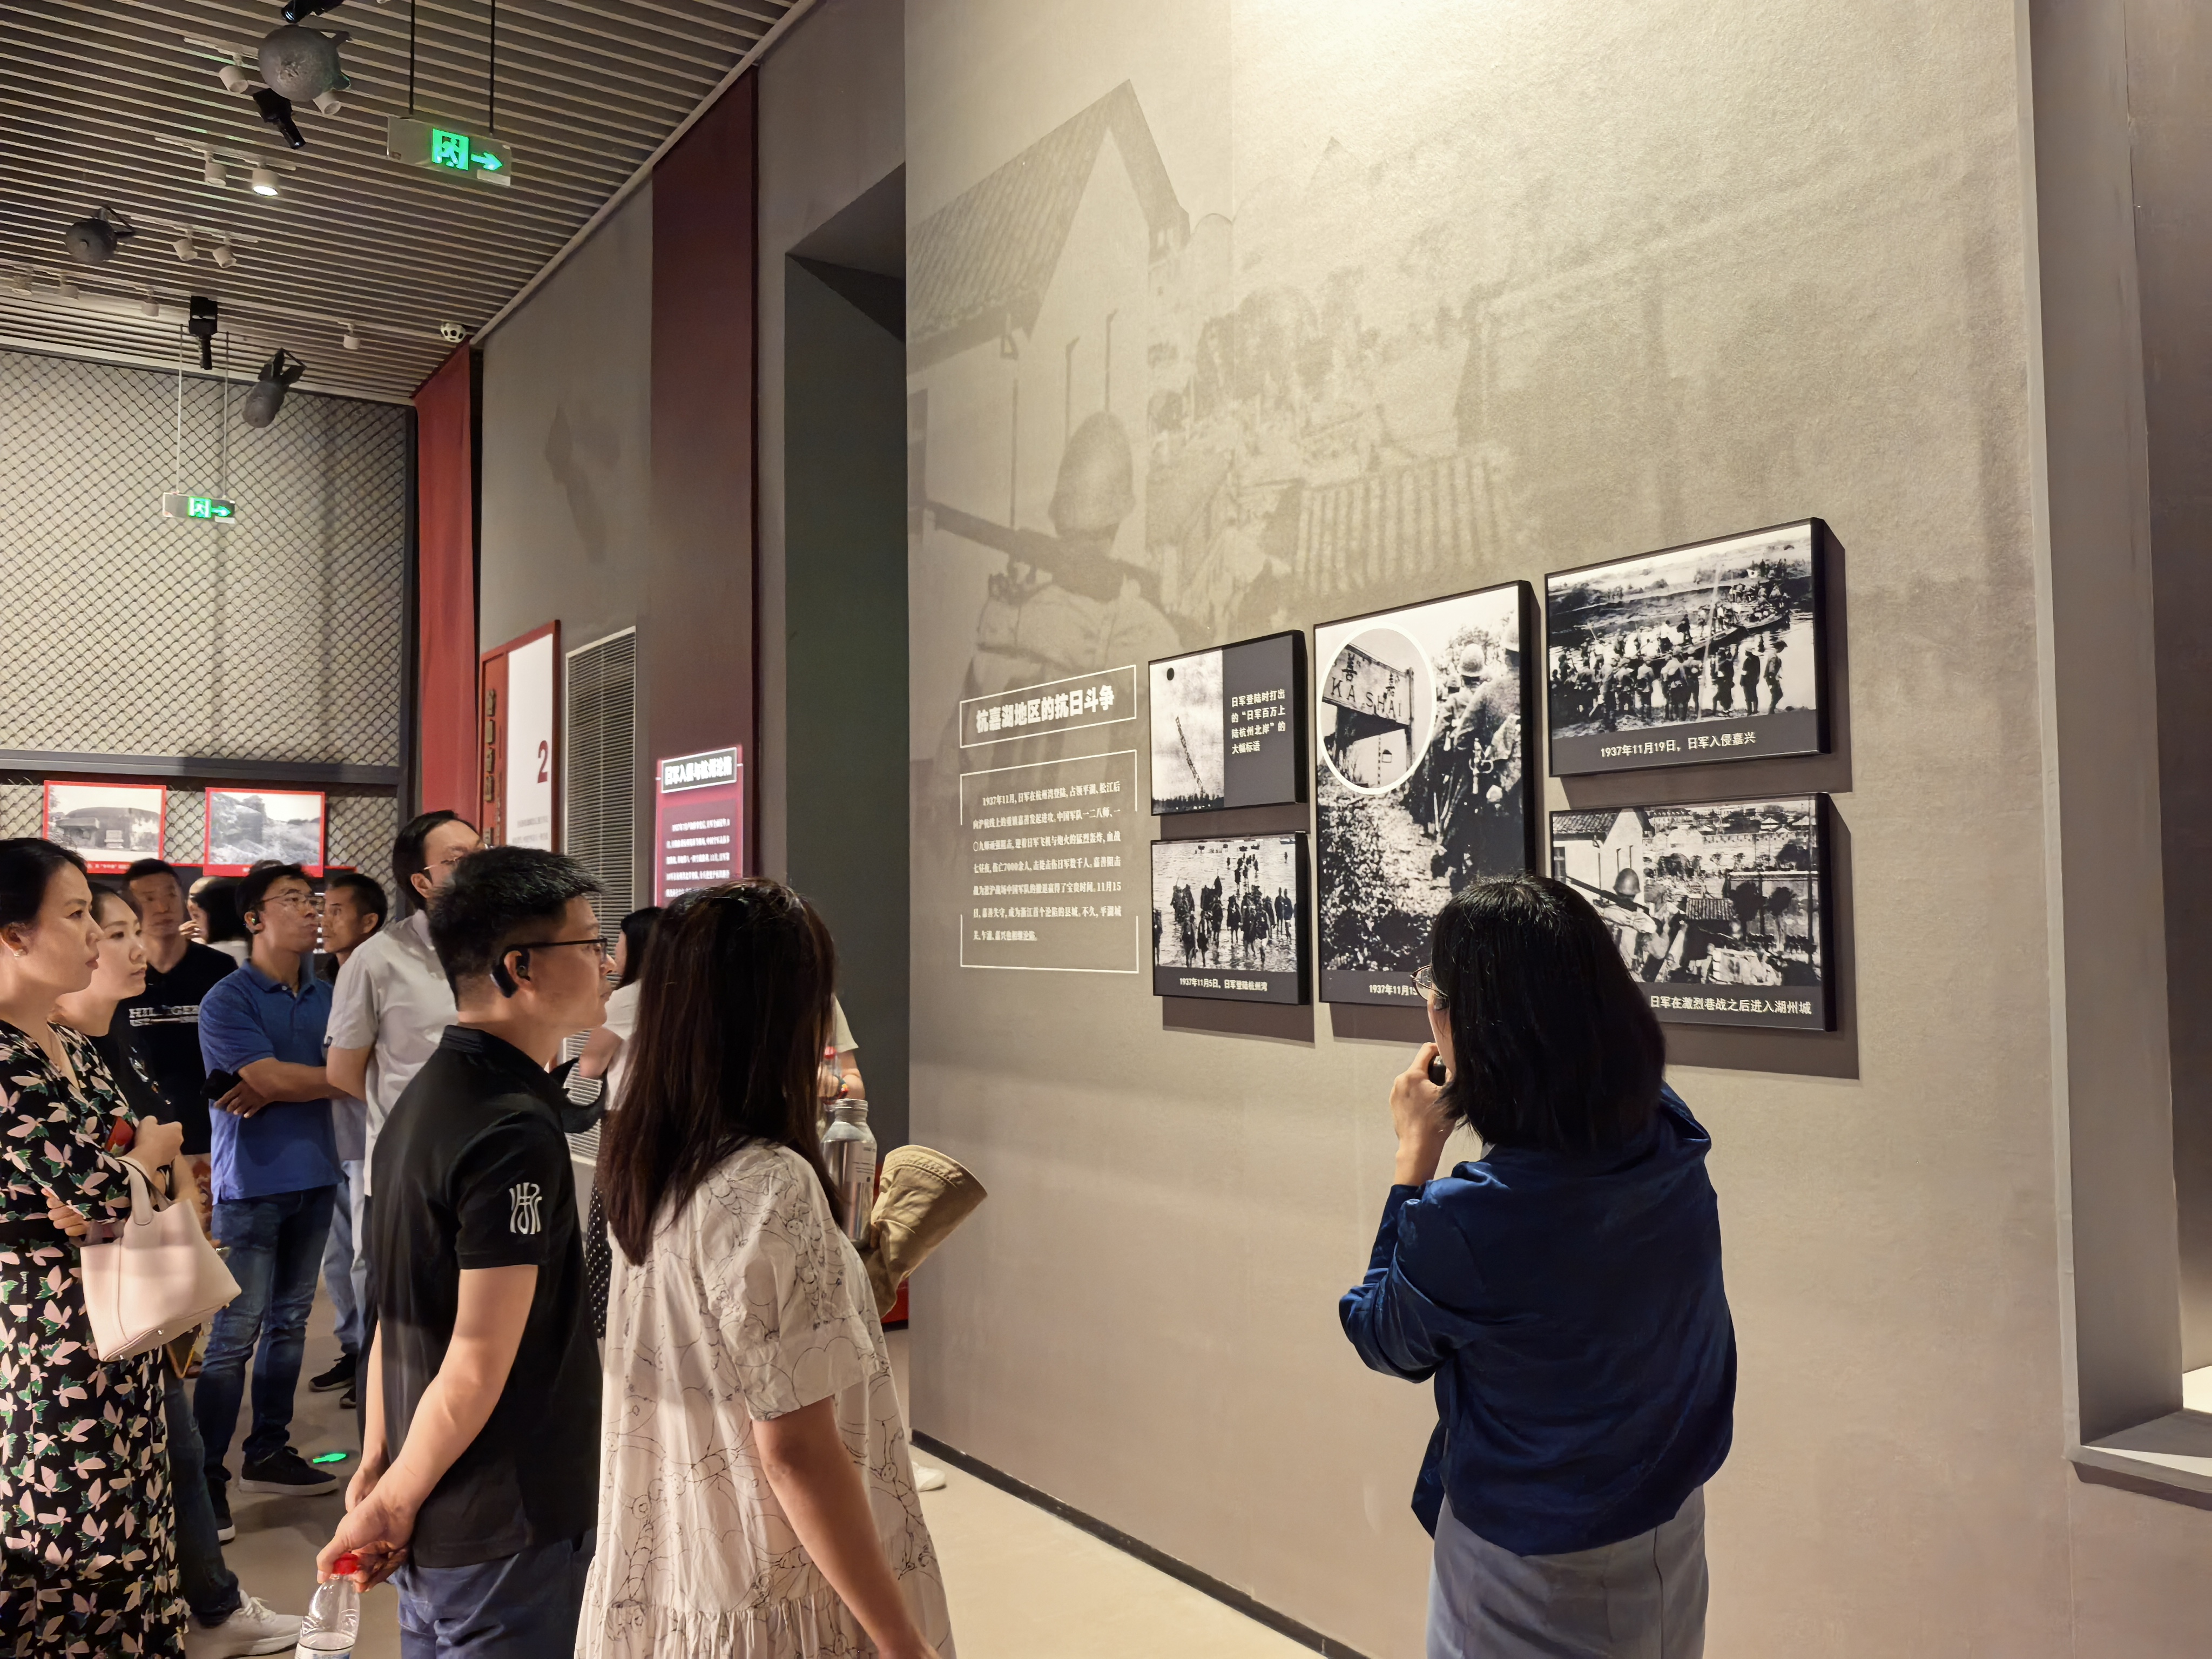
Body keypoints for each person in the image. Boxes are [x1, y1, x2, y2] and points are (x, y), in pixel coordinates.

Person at [1340, 875, 1735, 1659]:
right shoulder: (1668, 1134)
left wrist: (1415, 1152)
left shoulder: (1475, 1218)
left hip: (1530, 1563)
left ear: (1466, 1023)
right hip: (1668, 1526)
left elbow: (1382, 1336)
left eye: (1437, 995)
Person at [581, 880, 953, 1658]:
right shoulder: (768, 1181)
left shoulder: (647, 1160)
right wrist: (901, 1640)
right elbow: (795, 1452)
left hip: (677, 1551)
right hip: (775, 1575)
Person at [320, 847, 607, 1656]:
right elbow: (479, 1354)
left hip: (436, 1498)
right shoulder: (511, 1126)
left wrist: (383, 1464)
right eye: (589, 943)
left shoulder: (428, 1096)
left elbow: (395, 1312)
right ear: (521, 967)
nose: (607, 962)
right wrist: (394, 1497)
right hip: (506, 1514)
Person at [52, 881, 304, 1657]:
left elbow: (144, 1166)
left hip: (136, 1282)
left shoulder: (109, 1043)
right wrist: (142, 1165)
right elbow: (89, 1186)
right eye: (100, 927)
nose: (128, 947)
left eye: (121, 927)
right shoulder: (38, 1053)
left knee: (174, 1453)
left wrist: (154, 1174)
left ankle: (205, 1605)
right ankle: (203, 1608)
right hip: (74, 1310)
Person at [0, 839, 191, 1655]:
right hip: (49, 1342)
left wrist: (133, 1171)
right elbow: (105, 1182)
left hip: (122, 1314)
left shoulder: (70, 1044)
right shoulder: (4, 1056)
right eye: (77, 914)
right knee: (79, 1532)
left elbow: (146, 1167)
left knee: (142, 1521)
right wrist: (134, 1169)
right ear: (14, 934)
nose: (96, 933)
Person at [193, 862, 346, 1537]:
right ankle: (205, 1480)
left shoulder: (330, 995)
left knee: (290, 1325)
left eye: (313, 899)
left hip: (318, 1175)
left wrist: (290, 1081)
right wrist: (307, 1078)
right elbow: (271, 1078)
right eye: (293, 900)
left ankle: (269, 1452)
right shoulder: (228, 999)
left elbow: (348, 1070)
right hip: (250, 1185)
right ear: (254, 918)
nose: (311, 911)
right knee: (235, 1334)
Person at [325, 812, 480, 1247]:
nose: (479, 868)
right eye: (459, 859)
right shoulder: (376, 960)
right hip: (410, 1171)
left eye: (483, 853)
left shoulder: (507, 948)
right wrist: (417, 1109)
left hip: (493, 1163)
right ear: (422, 883)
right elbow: (343, 1072)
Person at [312, 870, 387, 1410]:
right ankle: (352, 1348)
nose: (324, 920)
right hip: (329, 1140)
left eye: (336, 910)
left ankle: (373, 1365)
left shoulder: (379, 976)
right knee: (337, 1259)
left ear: (369, 921)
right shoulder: (322, 983)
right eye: (323, 909)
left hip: (371, 1140)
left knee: (365, 1259)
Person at [122, 858, 241, 1192]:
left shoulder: (219, 968)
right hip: (141, 1134)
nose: (163, 907)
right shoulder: (121, 972)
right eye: (149, 899)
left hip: (211, 1127)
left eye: (170, 895)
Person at [191, 876, 250, 963]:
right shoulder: (260, 953)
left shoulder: (202, 959)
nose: (196, 923)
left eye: (198, 916)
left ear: (214, 917)